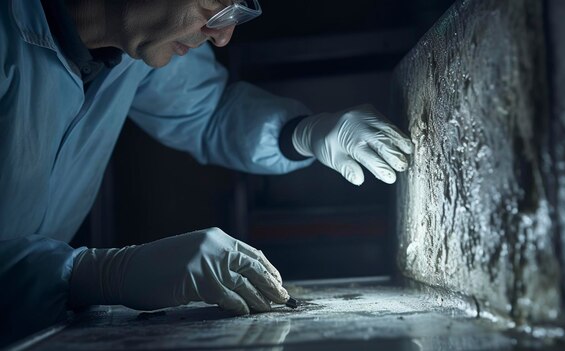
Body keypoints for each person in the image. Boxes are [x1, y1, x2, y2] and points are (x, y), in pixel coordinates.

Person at [0, 0, 414, 344]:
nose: (221, 34)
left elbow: (209, 113)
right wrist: (96, 275)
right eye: (216, 1)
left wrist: (304, 133)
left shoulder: (132, 52)